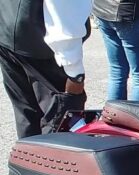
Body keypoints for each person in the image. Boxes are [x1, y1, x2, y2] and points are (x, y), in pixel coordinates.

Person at [0, 0, 93, 138]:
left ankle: (27, 156)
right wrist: (75, 73)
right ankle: (48, 155)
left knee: (26, 115)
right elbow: (63, 15)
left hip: (8, 29)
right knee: (60, 119)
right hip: (41, 43)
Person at [92, 0, 139, 101]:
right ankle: (136, 115)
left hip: (102, 9)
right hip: (128, 13)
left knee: (117, 71)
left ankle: (114, 115)